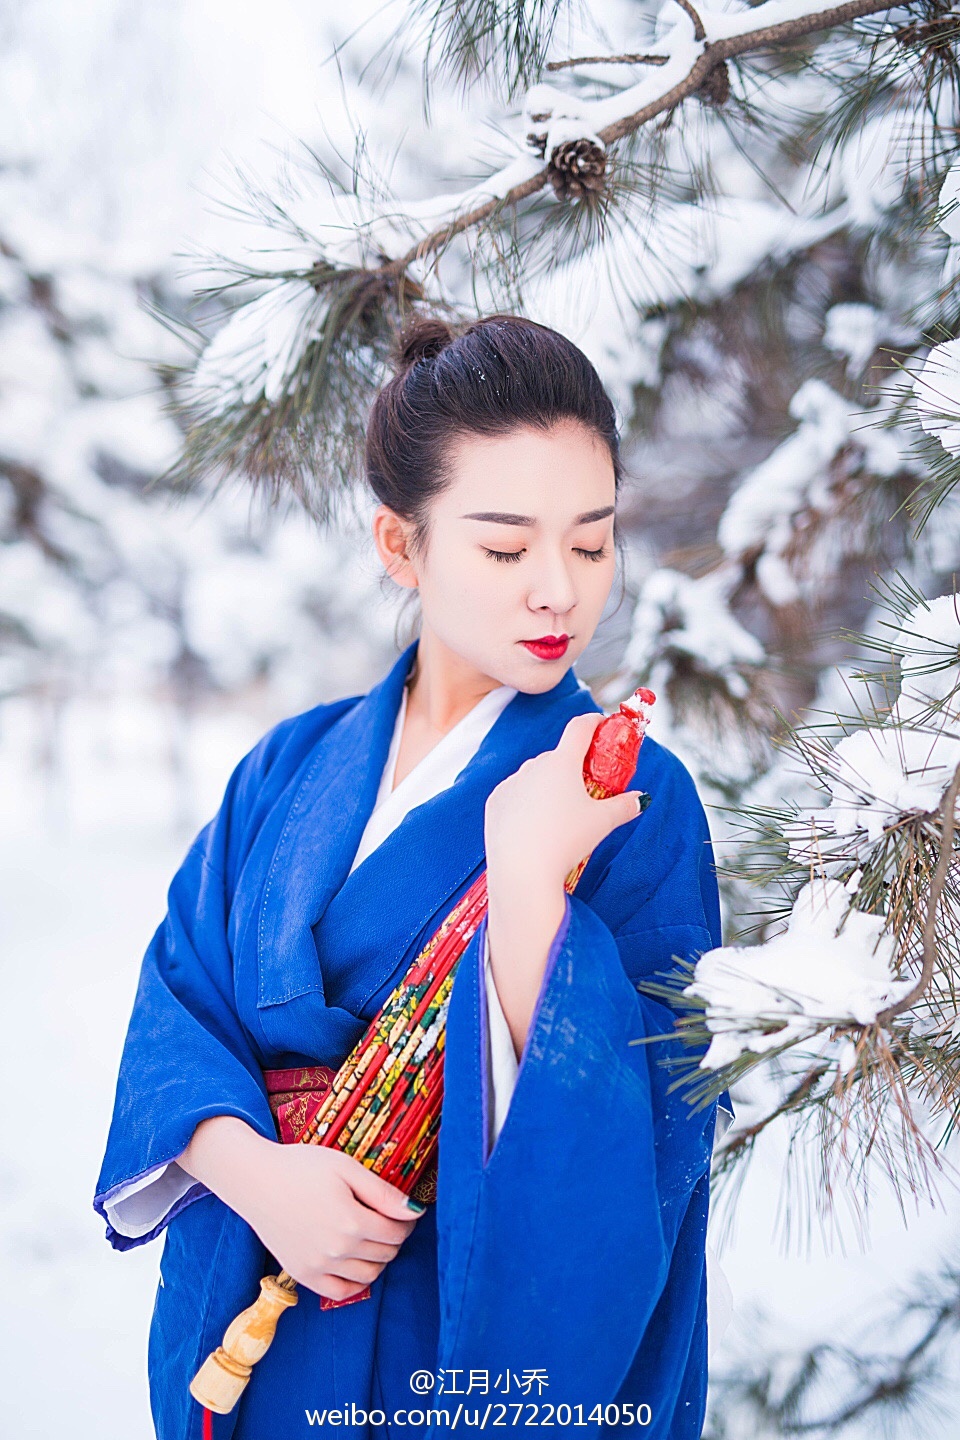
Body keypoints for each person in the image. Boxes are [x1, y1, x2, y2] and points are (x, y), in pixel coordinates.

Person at [94, 314, 733, 1440]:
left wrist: (531, 887)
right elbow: (177, 1006)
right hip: (254, 1303)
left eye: (591, 544)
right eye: (505, 548)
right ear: (401, 546)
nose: (559, 593)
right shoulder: (288, 766)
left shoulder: (631, 793)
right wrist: (253, 1172)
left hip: (458, 1361)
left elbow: (648, 1138)